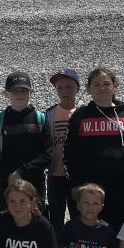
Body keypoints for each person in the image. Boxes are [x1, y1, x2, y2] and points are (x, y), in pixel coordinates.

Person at [65, 66, 124, 228]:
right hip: (89, 188)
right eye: (96, 84)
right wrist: (75, 184)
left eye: (107, 84)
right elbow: (68, 153)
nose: (102, 88)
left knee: (121, 231)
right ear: (89, 89)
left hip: (122, 185)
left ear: (115, 86)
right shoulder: (80, 116)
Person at [0, 71, 51, 211]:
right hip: (7, 183)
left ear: (31, 92)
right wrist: (6, 175)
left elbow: (48, 154)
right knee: (8, 222)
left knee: (37, 223)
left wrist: (21, 172)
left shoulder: (41, 119)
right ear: (6, 94)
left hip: (35, 182)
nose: (19, 95)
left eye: (23, 90)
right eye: (15, 91)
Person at [45, 67, 81, 227]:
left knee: (79, 215)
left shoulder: (84, 113)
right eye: (60, 87)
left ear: (77, 88)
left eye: (69, 86)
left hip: (78, 175)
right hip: (55, 174)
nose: (64, 91)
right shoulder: (49, 115)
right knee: (56, 217)